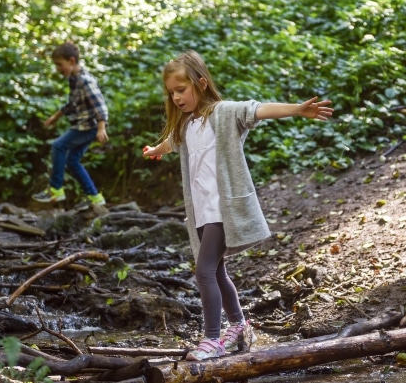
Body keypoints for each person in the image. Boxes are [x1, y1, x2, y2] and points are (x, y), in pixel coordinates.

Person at [143, 50, 333, 360]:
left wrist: (297, 110)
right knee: (217, 273)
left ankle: (213, 339)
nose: (176, 97)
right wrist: (155, 150)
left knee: (203, 272)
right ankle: (238, 326)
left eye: (181, 89)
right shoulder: (187, 126)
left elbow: (257, 110)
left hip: (223, 210)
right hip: (202, 212)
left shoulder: (224, 113)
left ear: (201, 83)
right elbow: (173, 143)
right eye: (171, 92)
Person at [32, 42, 109, 210]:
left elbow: (100, 105)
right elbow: (71, 104)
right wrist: (55, 117)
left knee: (58, 146)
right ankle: (95, 197)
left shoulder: (85, 81)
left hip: (88, 127)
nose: (58, 69)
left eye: (60, 65)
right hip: (84, 126)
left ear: (72, 61)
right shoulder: (75, 80)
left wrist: (102, 127)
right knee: (72, 161)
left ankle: (55, 189)